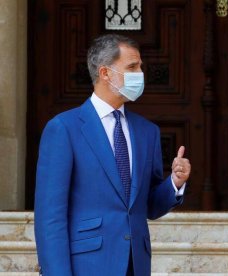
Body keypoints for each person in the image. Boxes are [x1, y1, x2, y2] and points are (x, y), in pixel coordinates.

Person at [34, 34, 191, 276]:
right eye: (132, 67)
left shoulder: (147, 131)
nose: (140, 74)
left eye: (140, 66)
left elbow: (147, 205)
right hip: (87, 265)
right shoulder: (64, 128)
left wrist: (175, 183)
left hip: (135, 265)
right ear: (105, 73)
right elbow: (50, 218)